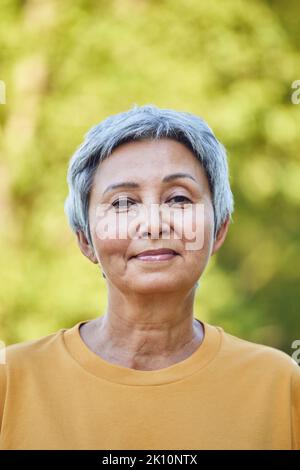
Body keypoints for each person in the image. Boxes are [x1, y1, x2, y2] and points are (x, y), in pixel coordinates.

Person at [0, 104, 299, 450]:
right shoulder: (13, 382)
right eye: (123, 203)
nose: (154, 224)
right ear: (85, 238)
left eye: (178, 198)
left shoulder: (278, 386)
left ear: (218, 229)